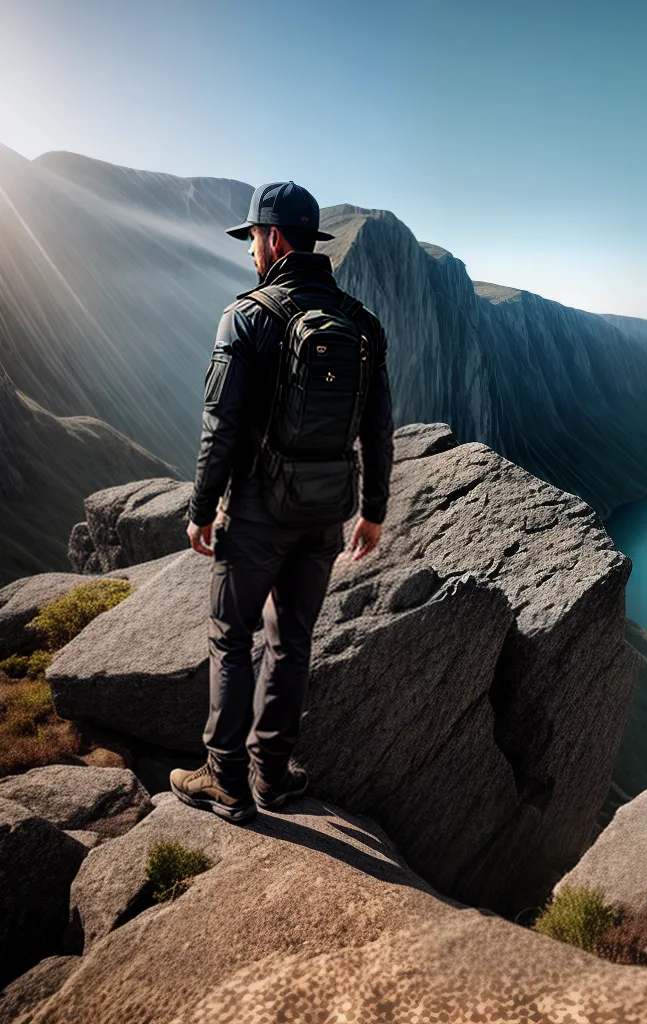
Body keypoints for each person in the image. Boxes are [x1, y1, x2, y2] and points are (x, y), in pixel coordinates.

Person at [170, 181, 395, 824]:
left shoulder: (246, 316)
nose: (250, 253)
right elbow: (377, 425)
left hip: (260, 514)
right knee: (293, 640)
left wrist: (202, 508)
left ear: (272, 238)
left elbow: (222, 426)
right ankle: (273, 774)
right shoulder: (362, 322)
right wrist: (372, 510)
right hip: (327, 512)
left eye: (252, 240)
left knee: (231, 636)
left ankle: (225, 779)